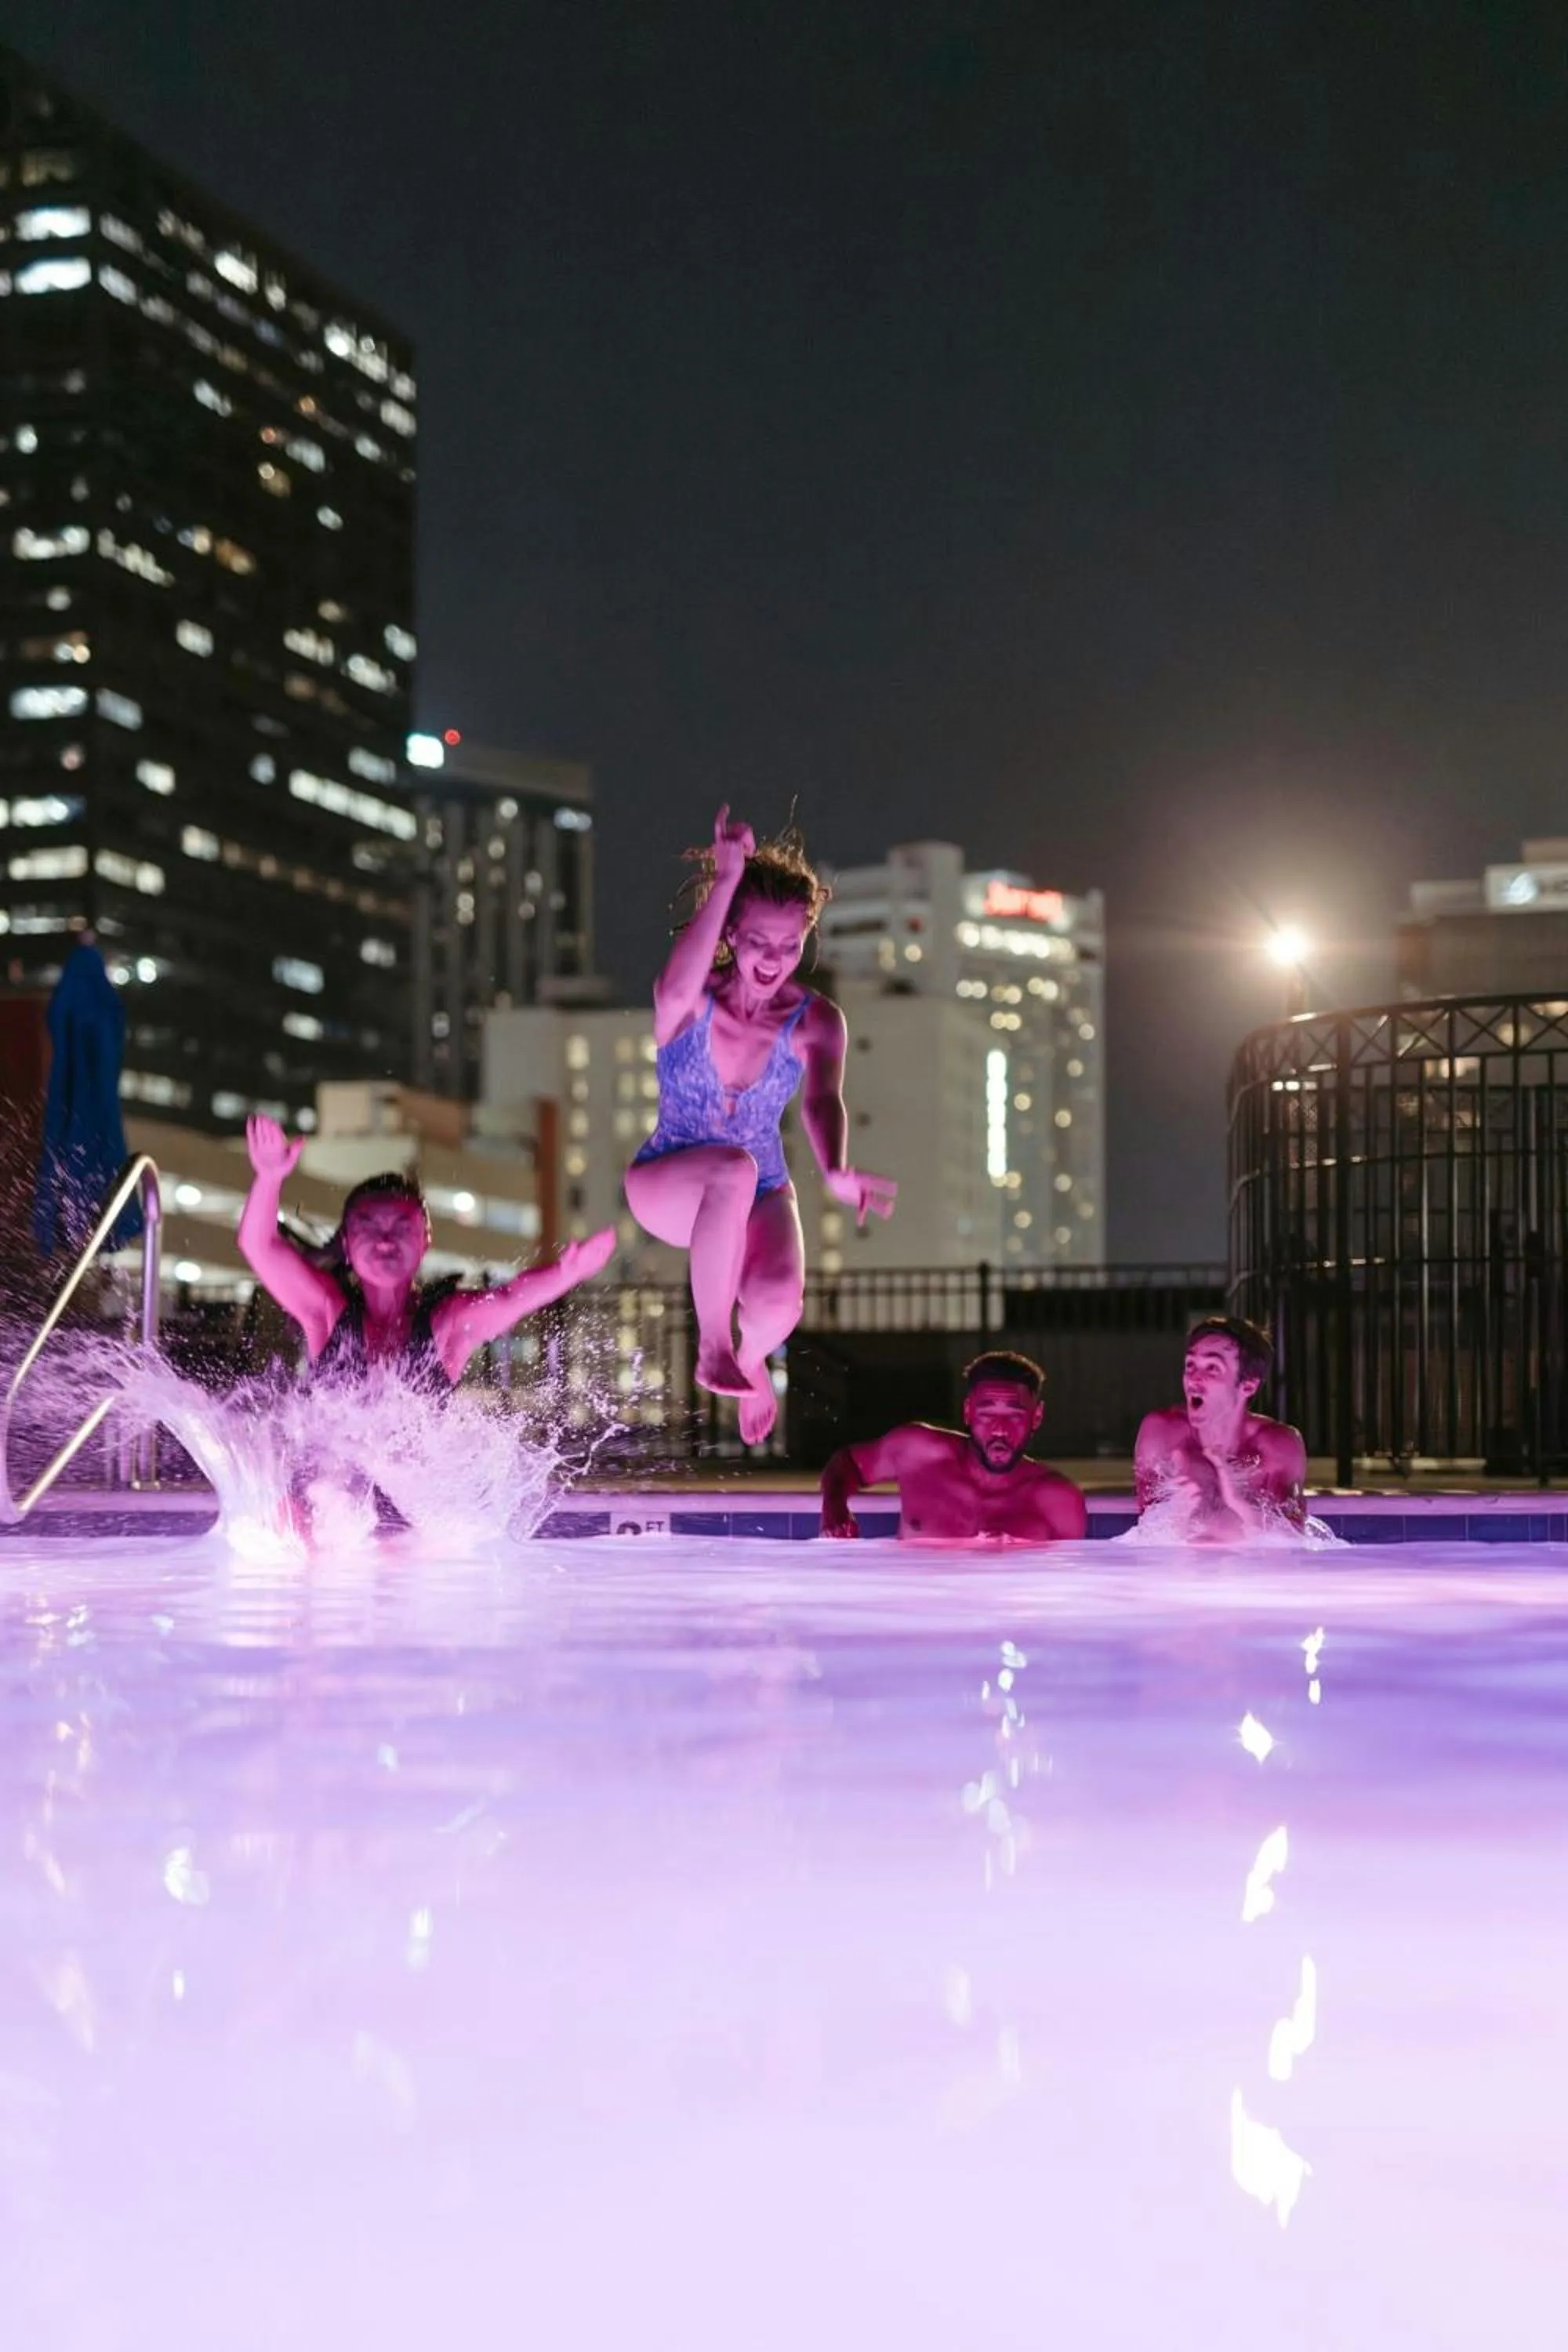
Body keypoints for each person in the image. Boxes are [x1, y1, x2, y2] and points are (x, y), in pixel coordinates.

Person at [626, 805, 896, 1444]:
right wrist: (726, 880)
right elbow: (667, 995)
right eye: (758, 942)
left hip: (761, 1187)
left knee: (779, 1301)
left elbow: (822, 1101)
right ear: (731, 934)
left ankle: (748, 1362)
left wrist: (834, 1169)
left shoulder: (816, 1020)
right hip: (668, 1179)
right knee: (731, 1168)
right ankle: (714, 1344)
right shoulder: (693, 1000)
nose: (774, 960)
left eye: (790, 944)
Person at [238, 1116, 615, 1387]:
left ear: (426, 1241)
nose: (386, 1241)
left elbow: (509, 1298)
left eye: (402, 1228)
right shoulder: (327, 1312)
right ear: (348, 1245)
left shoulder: (446, 1324)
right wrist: (269, 1178)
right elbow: (259, 1246)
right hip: (333, 1493)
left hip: (411, 1496)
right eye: (369, 1228)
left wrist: (566, 1273)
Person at [818, 1351, 1087, 1542]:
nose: (999, 1429)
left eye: (1014, 1416)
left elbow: (1068, 1593)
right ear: (968, 1412)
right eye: (986, 1414)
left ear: (1036, 1417)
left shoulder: (1059, 1501)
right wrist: (834, 1507)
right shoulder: (918, 1453)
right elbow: (846, 1464)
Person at [1134, 1315, 1306, 1541]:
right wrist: (1179, 1512)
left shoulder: (1277, 1447)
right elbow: (1147, 1533)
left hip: (1252, 1570)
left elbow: (1293, 1541)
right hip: (1180, 1568)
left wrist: (1239, 1503)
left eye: (1212, 1368)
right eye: (1190, 1365)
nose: (1194, 1379)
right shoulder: (1163, 1434)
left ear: (1248, 1385)